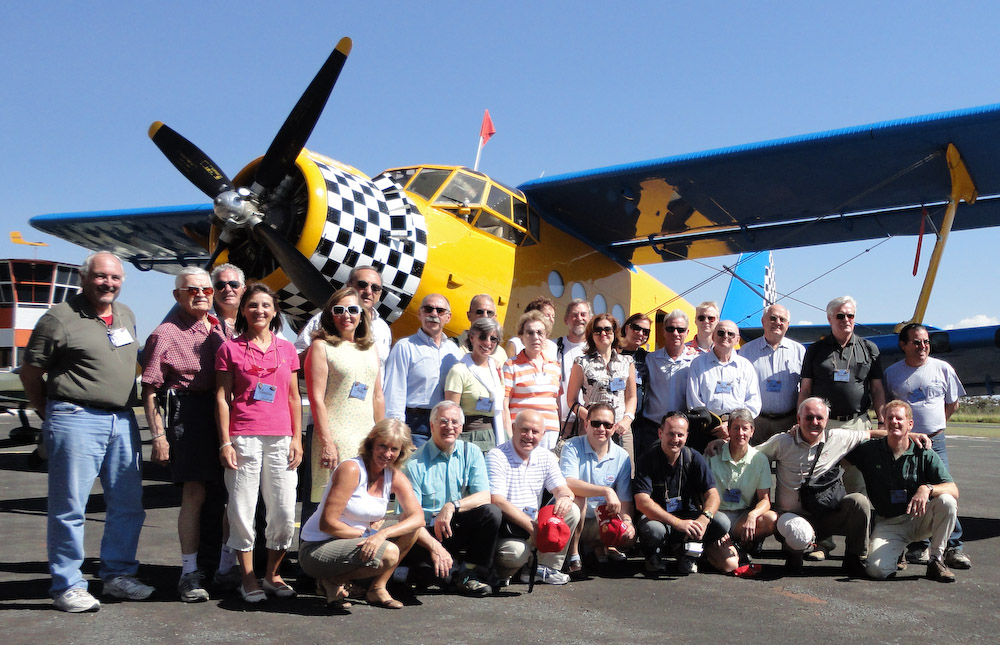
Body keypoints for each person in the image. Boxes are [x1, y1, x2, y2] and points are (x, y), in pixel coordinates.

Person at [21, 251, 154, 612]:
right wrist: (49, 413)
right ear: (84, 279)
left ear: (122, 281)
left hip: (123, 420)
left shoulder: (125, 314)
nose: (107, 284)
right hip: (76, 416)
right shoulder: (58, 319)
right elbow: (30, 373)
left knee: (128, 505)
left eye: (114, 278)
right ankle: (67, 585)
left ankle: (118, 576)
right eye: (100, 277)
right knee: (69, 508)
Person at [747, 397, 931, 575]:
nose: (814, 422)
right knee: (798, 534)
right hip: (790, 517)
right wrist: (724, 445)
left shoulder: (837, 437)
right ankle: (793, 553)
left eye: (819, 418)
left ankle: (854, 558)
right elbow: (751, 457)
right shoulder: (782, 441)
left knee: (858, 501)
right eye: (809, 417)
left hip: (824, 516)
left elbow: (872, 433)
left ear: (827, 421)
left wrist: (907, 434)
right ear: (798, 418)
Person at [140, 267, 227, 602]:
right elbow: (149, 391)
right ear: (177, 295)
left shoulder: (219, 327)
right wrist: (159, 437)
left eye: (207, 289)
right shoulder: (164, 334)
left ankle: (222, 566)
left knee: (224, 494)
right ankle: (189, 573)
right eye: (192, 290)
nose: (202, 294)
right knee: (194, 495)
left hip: (219, 412)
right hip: (186, 413)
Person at [216, 284, 303, 603]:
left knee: (281, 509)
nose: (260, 311)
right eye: (253, 305)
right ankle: (248, 577)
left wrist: (297, 438)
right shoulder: (230, 349)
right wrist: (225, 441)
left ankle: (272, 574)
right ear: (243, 310)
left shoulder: (287, 349)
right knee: (241, 508)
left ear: (275, 310)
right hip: (243, 436)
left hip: (281, 437)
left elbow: (294, 397)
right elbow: (223, 398)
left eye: (266, 305)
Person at [298, 419, 424, 609]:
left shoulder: (393, 475)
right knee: (389, 553)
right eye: (382, 446)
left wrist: (382, 534)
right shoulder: (351, 469)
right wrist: (369, 535)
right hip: (318, 548)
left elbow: (418, 517)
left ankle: (377, 588)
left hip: (353, 543)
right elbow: (328, 524)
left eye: (394, 449)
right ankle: (331, 581)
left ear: (401, 452)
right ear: (371, 443)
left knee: (412, 528)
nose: (387, 454)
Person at [883, 323, 970, 569]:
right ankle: (917, 546)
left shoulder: (943, 368)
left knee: (942, 490)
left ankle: (954, 547)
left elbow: (952, 404)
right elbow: (889, 409)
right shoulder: (892, 374)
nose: (923, 347)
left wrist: (935, 427)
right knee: (908, 489)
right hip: (905, 442)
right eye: (916, 342)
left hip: (935, 441)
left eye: (926, 342)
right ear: (903, 345)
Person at [845, 400, 960, 582]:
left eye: (899, 418)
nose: (894, 422)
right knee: (877, 571)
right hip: (889, 523)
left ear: (910, 424)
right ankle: (897, 552)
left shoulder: (924, 452)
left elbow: (953, 489)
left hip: (919, 518)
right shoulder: (869, 450)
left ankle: (936, 561)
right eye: (889, 418)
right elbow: (841, 457)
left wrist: (927, 488)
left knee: (947, 501)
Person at [402, 401, 501, 596]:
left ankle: (472, 573)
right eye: (443, 421)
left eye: (455, 422)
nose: (449, 427)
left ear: (462, 427)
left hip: (455, 526)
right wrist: (435, 548)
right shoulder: (413, 463)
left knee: (491, 512)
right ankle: (453, 574)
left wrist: (451, 506)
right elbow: (407, 518)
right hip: (426, 533)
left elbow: (484, 496)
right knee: (426, 576)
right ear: (431, 426)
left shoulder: (471, 452)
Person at [305, 287, 385, 507]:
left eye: (352, 309)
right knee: (336, 502)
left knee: (364, 500)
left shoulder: (371, 348)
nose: (346, 315)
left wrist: (383, 437)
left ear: (361, 315)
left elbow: (377, 396)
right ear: (331, 315)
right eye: (339, 310)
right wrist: (327, 442)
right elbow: (316, 399)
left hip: (366, 434)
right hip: (336, 435)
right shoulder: (321, 347)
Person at [487, 410, 581, 585]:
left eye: (535, 432)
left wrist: (565, 497)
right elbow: (496, 500)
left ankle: (543, 567)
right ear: (513, 428)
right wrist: (532, 527)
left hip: (534, 524)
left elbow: (562, 488)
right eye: (524, 430)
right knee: (515, 554)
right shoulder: (497, 455)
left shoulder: (546, 456)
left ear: (543, 434)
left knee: (571, 510)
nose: (529, 436)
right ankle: (505, 572)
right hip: (508, 527)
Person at [632, 411, 729, 575]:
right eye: (671, 434)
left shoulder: (693, 457)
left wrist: (704, 519)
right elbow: (642, 502)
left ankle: (687, 551)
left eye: (680, 435)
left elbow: (713, 495)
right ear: (660, 433)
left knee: (722, 521)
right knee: (653, 530)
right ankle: (654, 554)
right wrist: (677, 523)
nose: (675, 439)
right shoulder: (647, 459)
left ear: (687, 436)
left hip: (687, 517)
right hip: (659, 518)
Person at [558, 403, 636, 574]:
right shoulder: (571, 446)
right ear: (586, 424)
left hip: (601, 520)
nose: (601, 429)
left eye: (607, 425)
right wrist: (606, 490)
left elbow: (625, 500)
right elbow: (568, 482)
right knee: (579, 497)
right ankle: (574, 554)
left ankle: (598, 546)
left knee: (629, 538)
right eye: (596, 423)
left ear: (614, 427)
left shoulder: (622, 456)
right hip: (573, 517)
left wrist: (628, 523)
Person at [383, 293, 461, 448]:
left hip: (445, 425)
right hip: (414, 425)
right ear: (420, 314)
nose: (433, 314)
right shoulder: (405, 347)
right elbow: (394, 391)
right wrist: (397, 431)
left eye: (440, 311)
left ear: (448, 317)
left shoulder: (453, 351)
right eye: (428, 309)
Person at [799, 296, 886, 433]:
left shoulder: (870, 349)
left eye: (850, 316)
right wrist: (800, 421)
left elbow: (877, 389)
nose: (846, 320)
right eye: (840, 316)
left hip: (858, 423)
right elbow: (805, 390)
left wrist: (882, 421)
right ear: (829, 319)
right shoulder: (815, 350)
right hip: (824, 424)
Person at [704, 409, 776, 573]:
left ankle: (739, 544)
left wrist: (753, 515)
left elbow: (765, 500)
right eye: (736, 428)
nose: (740, 433)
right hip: (716, 516)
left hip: (741, 517)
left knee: (771, 519)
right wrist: (716, 526)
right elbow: (700, 496)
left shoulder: (759, 459)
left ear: (752, 431)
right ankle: (710, 549)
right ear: (728, 430)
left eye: (745, 428)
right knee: (730, 566)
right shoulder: (712, 454)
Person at [565, 314, 637, 464]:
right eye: (597, 330)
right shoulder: (581, 363)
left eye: (607, 329)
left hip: (620, 428)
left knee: (625, 473)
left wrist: (627, 420)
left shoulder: (627, 362)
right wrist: (590, 419)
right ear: (591, 335)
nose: (603, 333)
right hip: (592, 429)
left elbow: (631, 397)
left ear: (615, 333)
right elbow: (571, 400)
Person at [294, 265, 392, 369]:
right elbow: (295, 360)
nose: (368, 291)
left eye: (375, 288)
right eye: (362, 285)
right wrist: (321, 344)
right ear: (349, 286)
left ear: (380, 293)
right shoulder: (324, 318)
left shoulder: (383, 329)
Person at [686, 320, 761, 452]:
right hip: (706, 431)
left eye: (730, 334)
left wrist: (731, 426)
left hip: (738, 433)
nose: (725, 336)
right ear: (713, 336)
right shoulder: (697, 364)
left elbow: (753, 402)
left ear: (737, 339)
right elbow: (693, 402)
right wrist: (715, 427)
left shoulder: (746, 366)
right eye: (721, 333)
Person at [737, 304, 805, 444]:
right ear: (763, 321)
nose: (777, 323)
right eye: (773, 318)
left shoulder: (799, 351)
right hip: (756, 422)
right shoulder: (746, 351)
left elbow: (805, 388)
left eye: (782, 319)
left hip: (788, 422)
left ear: (788, 324)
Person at [502, 311, 563, 447]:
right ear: (521, 337)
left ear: (546, 336)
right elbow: (504, 405)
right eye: (530, 333)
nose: (535, 337)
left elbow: (557, 403)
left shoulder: (555, 366)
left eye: (540, 333)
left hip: (550, 435)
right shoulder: (511, 365)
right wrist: (508, 437)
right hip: (523, 434)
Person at [444, 317, 505, 452]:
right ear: (472, 338)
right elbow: (451, 412)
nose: (488, 342)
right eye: (482, 337)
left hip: (496, 436)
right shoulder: (459, 371)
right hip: (469, 437)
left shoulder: (497, 370)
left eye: (493, 339)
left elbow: (503, 408)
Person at [638, 310, 694, 455]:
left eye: (680, 329)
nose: (675, 333)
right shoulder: (650, 359)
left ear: (687, 332)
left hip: (681, 431)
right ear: (663, 331)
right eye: (670, 329)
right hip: (652, 429)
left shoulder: (694, 361)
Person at [556, 299, 591, 433]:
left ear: (590, 318)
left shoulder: (596, 349)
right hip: (560, 420)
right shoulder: (554, 346)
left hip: (586, 422)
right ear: (566, 320)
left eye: (583, 314)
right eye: (574, 315)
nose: (579, 318)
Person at [453, 294, 507, 363]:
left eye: (489, 313)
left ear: (495, 317)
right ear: (469, 316)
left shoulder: (501, 354)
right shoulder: (453, 346)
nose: (485, 316)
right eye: (479, 312)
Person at [619, 312, 651, 427]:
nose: (640, 333)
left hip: (639, 420)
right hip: (616, 416)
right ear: (627, 328)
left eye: (645, 331)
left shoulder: (648, 357)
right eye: (636, 328)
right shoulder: (613, 353)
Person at [210, 263, 246, 338]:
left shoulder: (253, 316)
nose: (228, 289)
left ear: (244, 290)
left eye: (234, 284)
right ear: (213, 290)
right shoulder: (203, 319)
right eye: (221, 285)